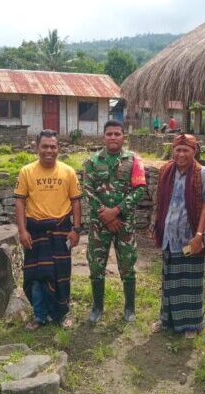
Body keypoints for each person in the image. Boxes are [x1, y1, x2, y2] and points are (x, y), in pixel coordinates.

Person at [14, 129, 82, 331]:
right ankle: (39, 315)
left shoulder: (68, 172)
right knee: (36, 276)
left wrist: (76, 229)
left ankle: (61, 314)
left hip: (61, 230)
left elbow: (76, 202)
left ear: (58, 148)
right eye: (45, 146)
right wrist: (22, 231)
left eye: (53, 146)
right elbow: (20, 202)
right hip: (35, 232)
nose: (49, 150)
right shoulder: (26, 171)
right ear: (37, 147)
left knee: (62, 275)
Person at [152, 134, 205, 338]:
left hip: (190, 238)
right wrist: (157, 224)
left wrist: (199, 234)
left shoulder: (204, 174)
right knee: (169, 280)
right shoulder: (165, 171)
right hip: (169, 236)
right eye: (177, 150)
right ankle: (167, 320)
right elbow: (161, 201)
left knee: (190, 281)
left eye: (185, 150)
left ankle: (191, 324)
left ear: (194, 151)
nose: (181, 154)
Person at [83, 120, 146, 323]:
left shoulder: (134, 160)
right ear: (104, 136)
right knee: (96, 267)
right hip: (99, 224)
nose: (113, 137)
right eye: (109, 134)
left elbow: (140, 189)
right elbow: (87, 191)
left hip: (124, 223)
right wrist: (106, 215)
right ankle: (97, 308)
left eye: (117, 134)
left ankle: (129, 308)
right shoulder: (92, 161)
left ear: (123, 136)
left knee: (128, 266)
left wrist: (116, 211)